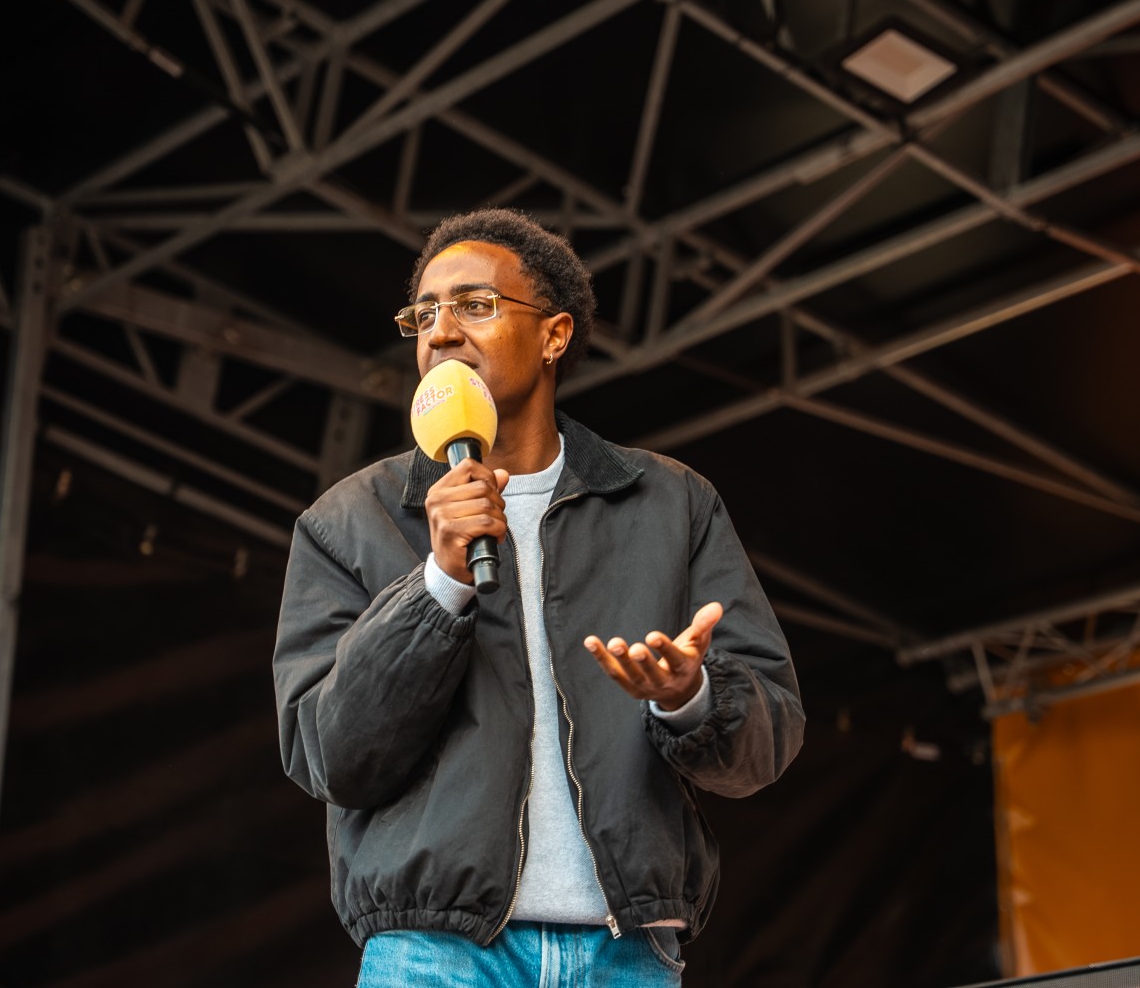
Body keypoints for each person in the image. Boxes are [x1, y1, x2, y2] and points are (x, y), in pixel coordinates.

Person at [272, 207, 804, 987]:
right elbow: (330, 757)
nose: (441, 332)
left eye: (474, 304)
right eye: (423, 313)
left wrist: (689, 697)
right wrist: (439, 585)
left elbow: (767, 741)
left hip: (628, 954)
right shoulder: (350, 520)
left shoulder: (668, 503)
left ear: (555, 335)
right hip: (436, 954)